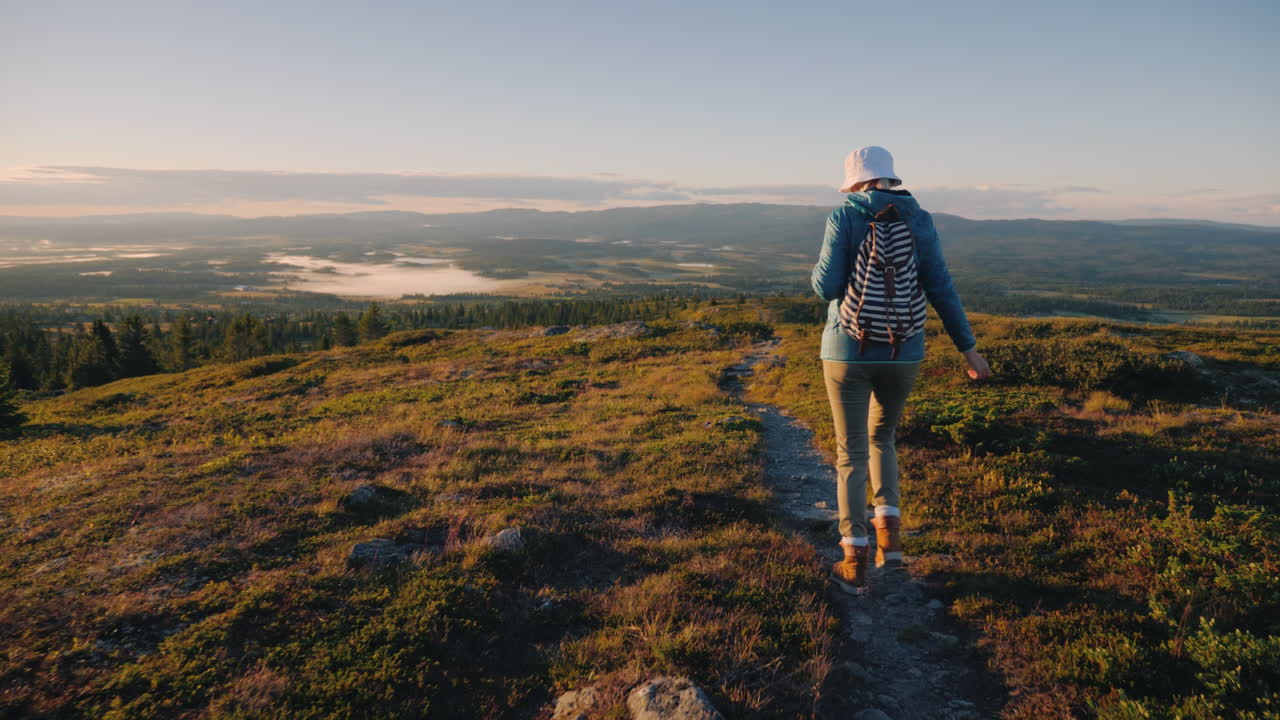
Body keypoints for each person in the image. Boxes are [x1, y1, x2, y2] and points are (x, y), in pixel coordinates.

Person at [811, 145, 991, 594]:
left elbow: (826, 287)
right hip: (905, 351)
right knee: (883, 438)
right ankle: (891, 546)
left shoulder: (844, 217)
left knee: (850, 453)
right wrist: (969, 350)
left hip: (847, 351)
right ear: (891, 177)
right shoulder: (921, 219)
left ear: (854, 180)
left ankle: (854, 559)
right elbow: (940, 287)